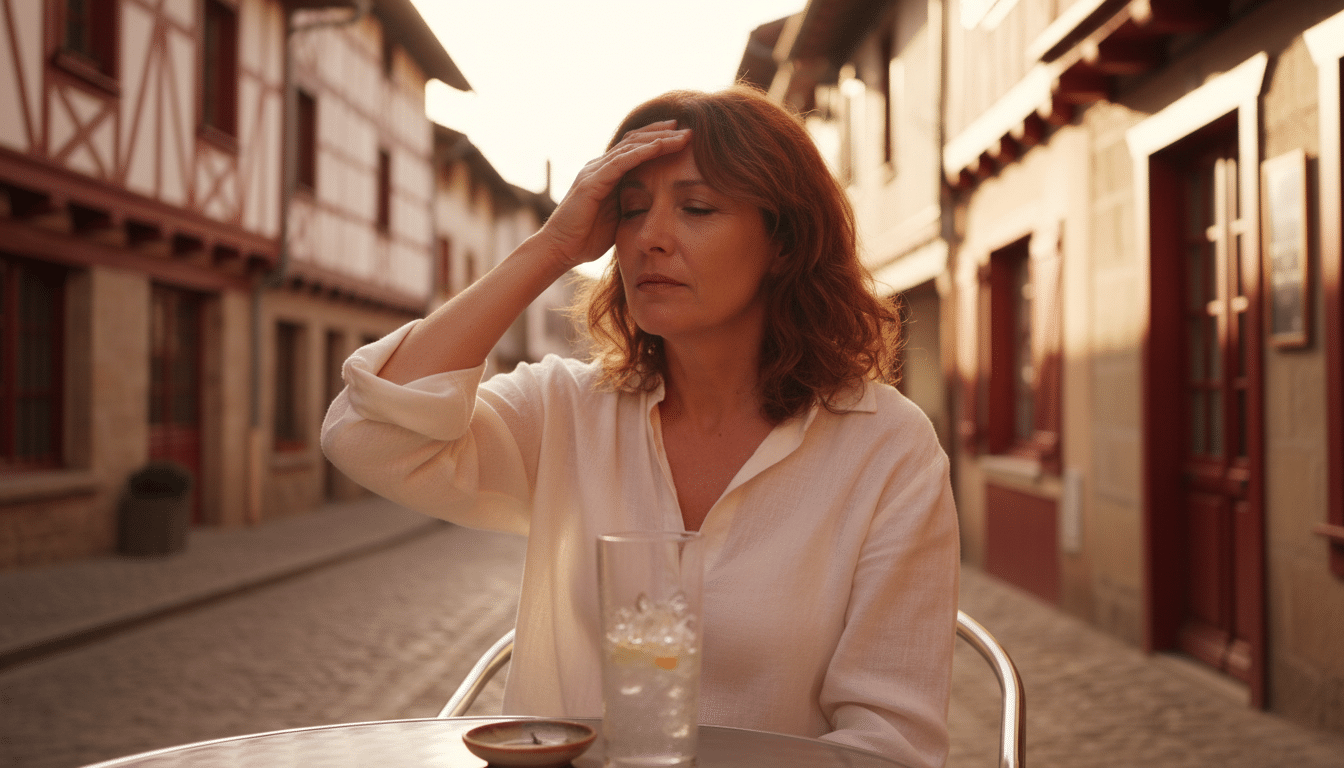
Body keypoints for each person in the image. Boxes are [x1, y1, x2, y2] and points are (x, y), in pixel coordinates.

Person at [322, 84, 959, 768]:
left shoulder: (886, 446)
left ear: (783, 241)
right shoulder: (567, 408)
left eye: (697, 208)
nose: (650, 238)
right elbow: (367, 434)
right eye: (629, 213)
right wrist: (551, 247)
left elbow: (892, 749)